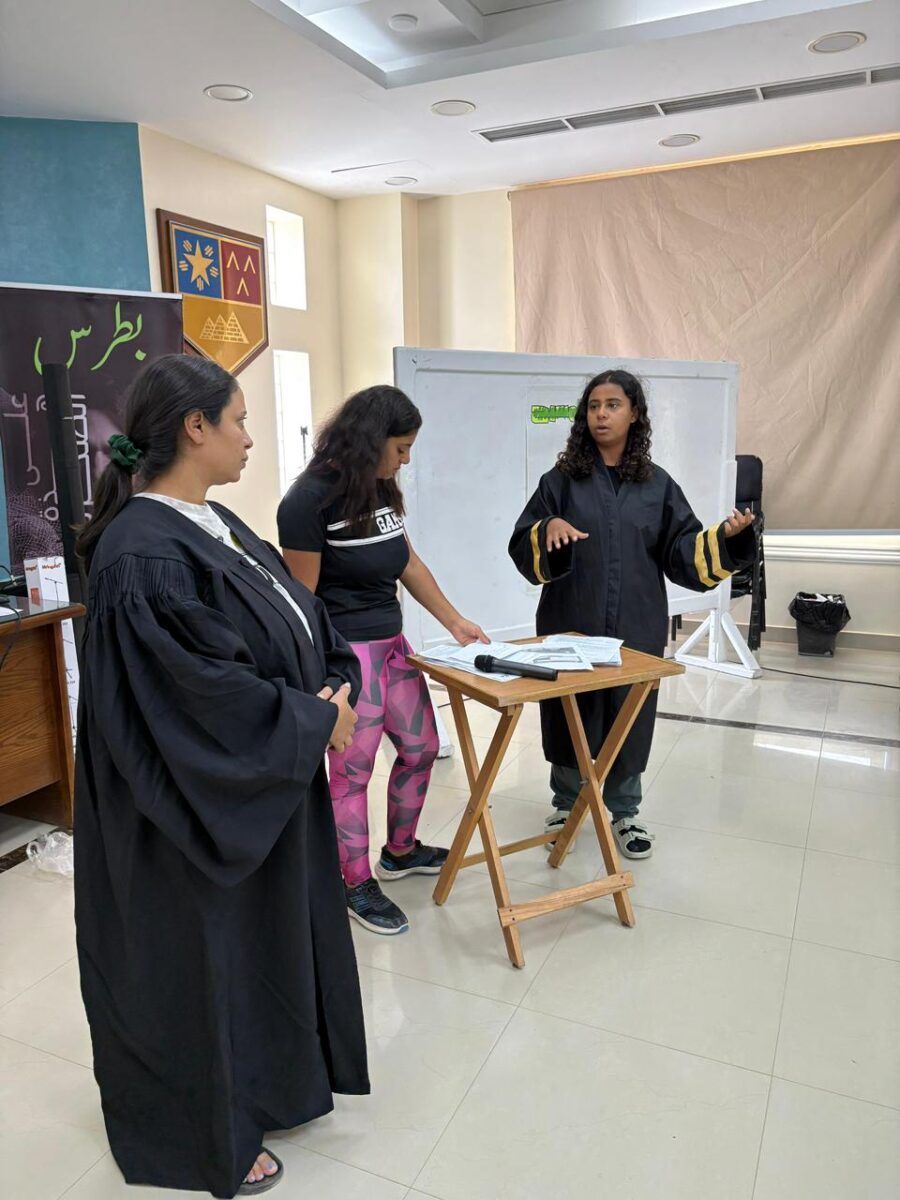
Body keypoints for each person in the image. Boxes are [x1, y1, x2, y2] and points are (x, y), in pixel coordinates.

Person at [74, 355, 369, 1198]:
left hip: (258, 790)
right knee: (200, 964)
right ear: (194, 427)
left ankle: (268, 1086)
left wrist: (335, 677)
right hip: (187, 812)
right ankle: (203, 1135)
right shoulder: (140, 554)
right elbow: (198, 695)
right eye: (237, 419)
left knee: (258, 949)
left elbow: (301, 614)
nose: (248, 437)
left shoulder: (214, 521)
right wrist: (313, 719)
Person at [509, 369, 754, 858]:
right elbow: (523, 542)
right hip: (570, 618)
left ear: (634, 413)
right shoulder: (559, 482)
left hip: (636, 620)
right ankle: (566, 803)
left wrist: (726, 540)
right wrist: (548, 528)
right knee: (569, 709)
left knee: (630, 712)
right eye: (593, 406)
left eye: (613, 405)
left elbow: (682, 551)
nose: (601, 414)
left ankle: (624, 812)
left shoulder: (657, 485)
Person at [277, 385, 488, 936]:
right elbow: (302, 601)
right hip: (349, 657)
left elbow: (407, 562)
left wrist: (455, 621)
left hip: (393, 648)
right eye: (400, 448)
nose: (406, 460)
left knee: (422, 748)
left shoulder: (377, 489)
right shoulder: (306, 503)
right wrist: (323, 678)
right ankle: (353, 882)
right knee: (352, 774)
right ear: (370, 441)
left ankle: (400, 851)